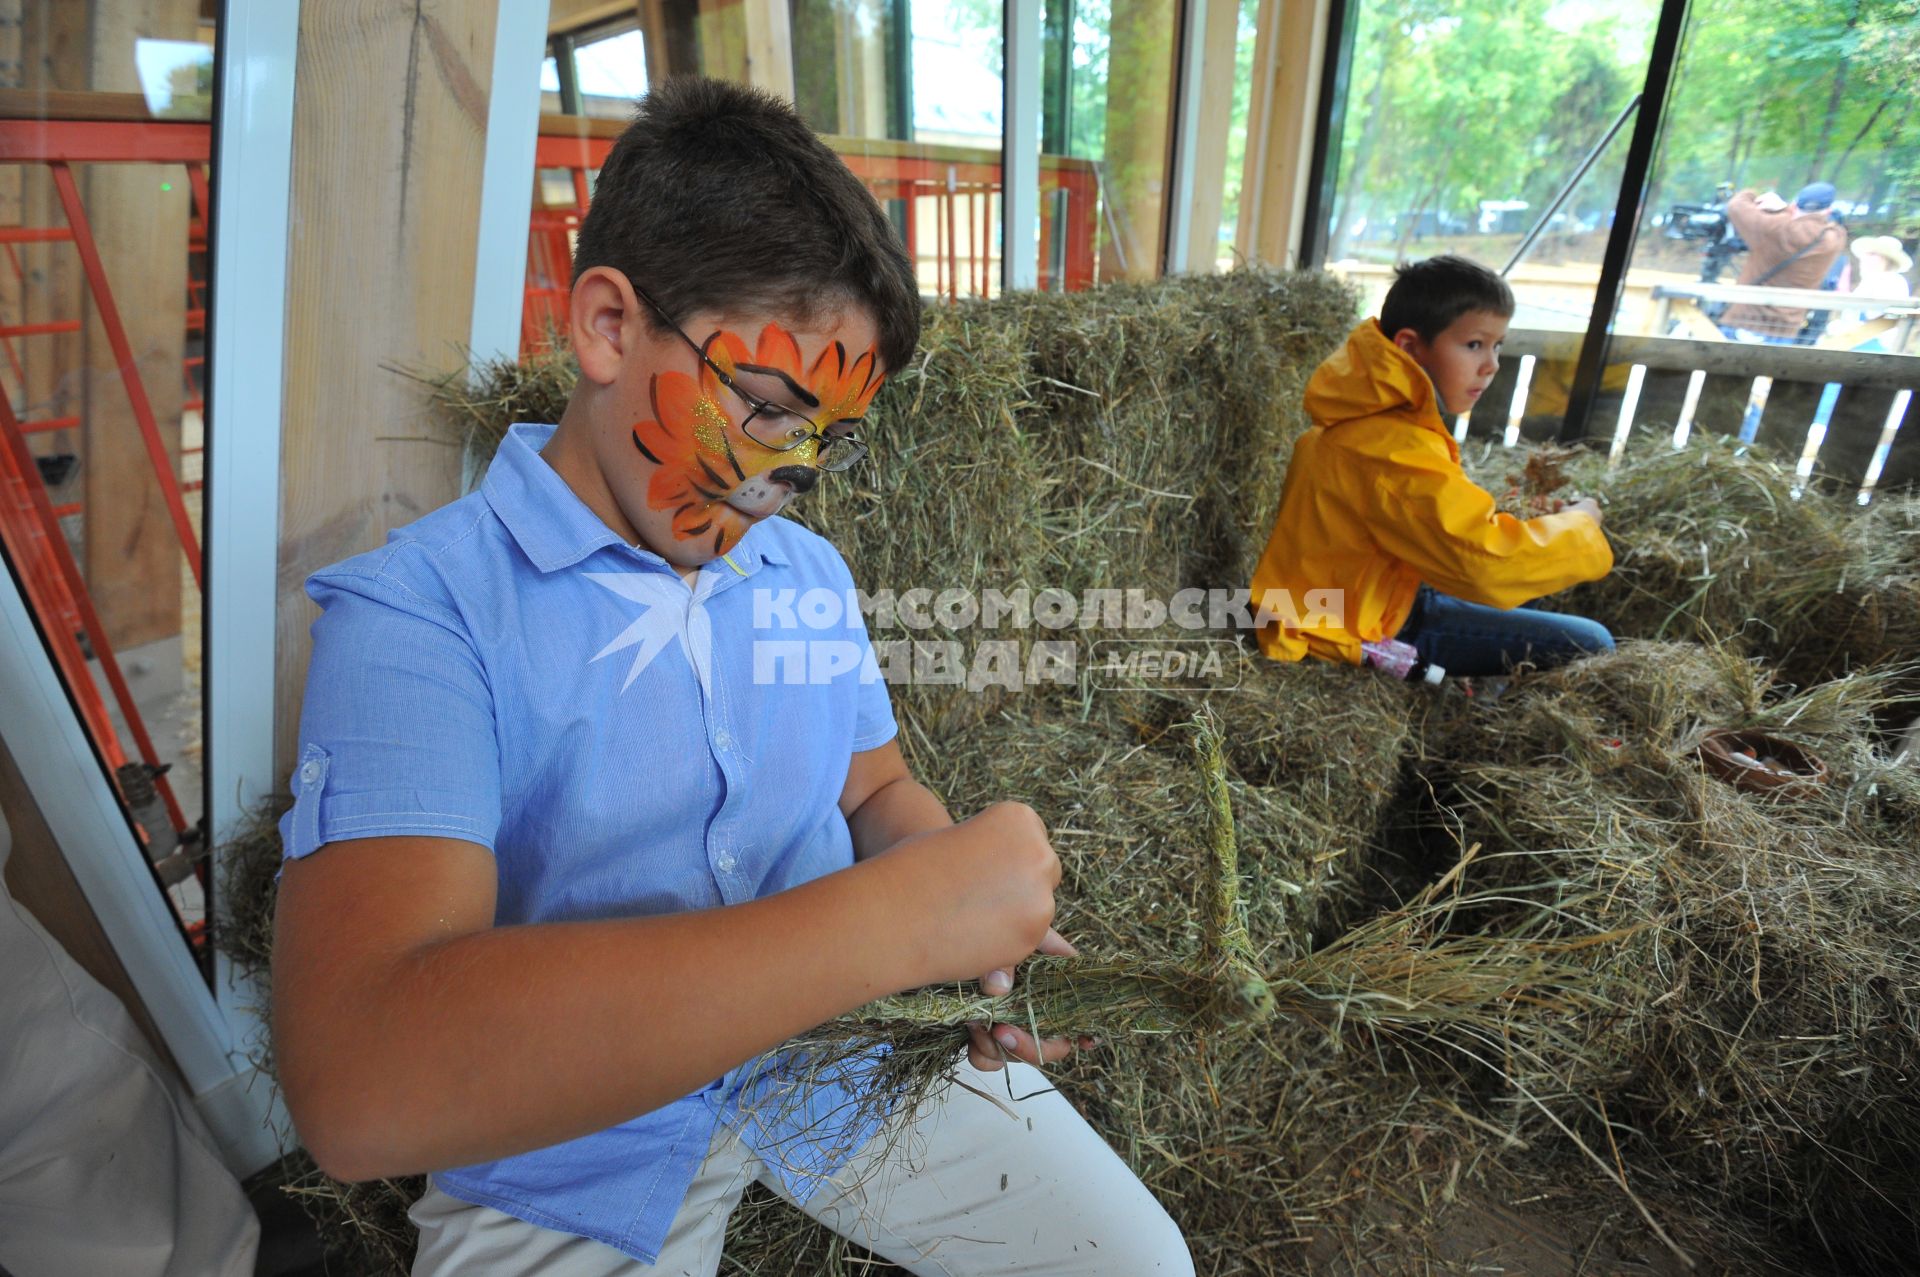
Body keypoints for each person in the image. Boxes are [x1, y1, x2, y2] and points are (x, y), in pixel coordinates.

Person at [269, 79, 1191, 1277]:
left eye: (830, 438)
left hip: (841, 1060)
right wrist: (894, 922)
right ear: (606, 325)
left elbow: (872, 791)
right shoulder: (420, 616)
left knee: (1136, 1263)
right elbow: (359, 1083)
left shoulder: (801, 569)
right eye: (765, 408)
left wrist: (953, 926)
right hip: (574, 1138)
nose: (790, 475)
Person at [1248, 255, 1614, 678]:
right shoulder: (1392, 450)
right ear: (1409, 347)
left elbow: (1447, 527)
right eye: (1474, 344)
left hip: (1368, 595)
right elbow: (1487, 564)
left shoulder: (1368, 418)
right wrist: (1581, 525)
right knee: (1592, 641)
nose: (1491, 364)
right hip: (1356, 626)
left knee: (1527, 590)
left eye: (1498, 346)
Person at [1717, 182, 1849, 345]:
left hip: (1745, 320)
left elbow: (1737, 205)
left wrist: (1753, 194)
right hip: (1785, 328)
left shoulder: (1775, 227)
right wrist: (1785, 209)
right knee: (1772, 371)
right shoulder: (1834, 238)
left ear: (1795, 205)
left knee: (1724, 368)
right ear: (1828, 210)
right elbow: (1823, 226)